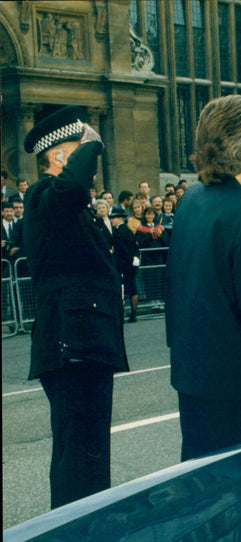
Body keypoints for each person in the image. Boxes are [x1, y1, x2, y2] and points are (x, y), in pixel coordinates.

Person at [22, 105, 129, 508]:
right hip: (73, 345)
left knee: (89, 449)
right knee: (78, 453)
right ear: (58, 156)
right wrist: (91, 139)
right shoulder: (44, 196)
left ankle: (87, 533)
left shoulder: (67, 203)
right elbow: (74, 181)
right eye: (78, 147)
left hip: (85, 344)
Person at [165, 95, 241, 461]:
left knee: (197, 474)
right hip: (229, 373)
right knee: (233, 478)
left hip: (191, 365)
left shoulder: (192, 197)